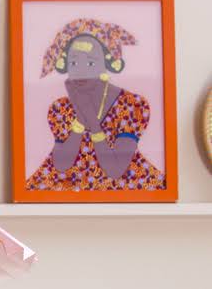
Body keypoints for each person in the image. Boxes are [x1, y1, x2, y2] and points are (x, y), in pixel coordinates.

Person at [26, 17, 165, 193]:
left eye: (91, 63)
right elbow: (61, 165)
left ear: (107, 64)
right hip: (66, 191)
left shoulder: (131, 105)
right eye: (74, 63)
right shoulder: (60, 108)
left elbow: (115, 170)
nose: (81, 70)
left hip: (125, 190)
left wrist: (91, 121)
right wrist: (78, 120)